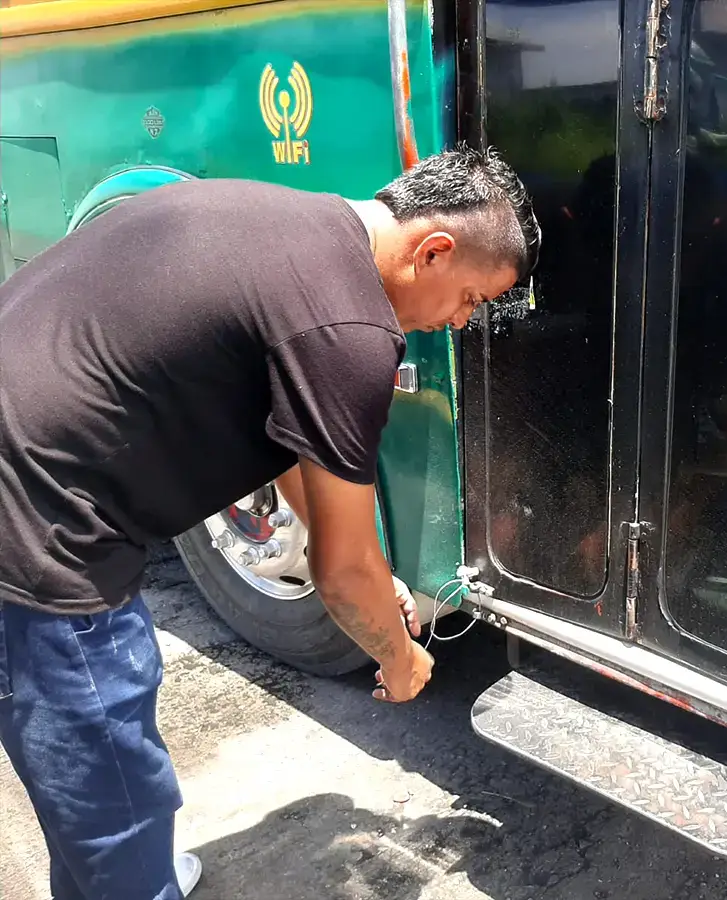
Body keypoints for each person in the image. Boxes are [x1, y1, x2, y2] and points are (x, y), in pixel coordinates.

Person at [0, 146, 540, 900]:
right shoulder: (352, 328)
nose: (459, 322)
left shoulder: (291, 225)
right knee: (111, 785)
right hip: (36, 522)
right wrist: (397, 658)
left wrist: (376, 571)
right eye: (473, 299)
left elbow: (296, 448)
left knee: (88, 783)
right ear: (434, 251)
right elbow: (339, 578)